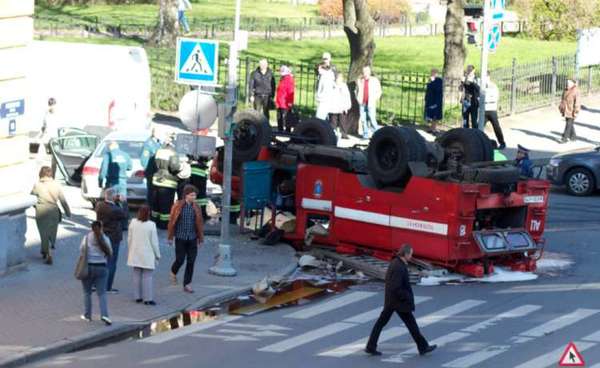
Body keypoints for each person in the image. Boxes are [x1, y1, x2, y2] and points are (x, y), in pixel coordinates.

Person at [366, 244, 436, 356]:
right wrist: (406, 296)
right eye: (411, 254)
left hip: (392, 301)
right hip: (398, 302)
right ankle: (423, 347)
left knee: (383, 323)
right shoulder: (398, 266)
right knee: (410, 324)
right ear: (406, 254)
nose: (411, 256)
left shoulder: (396, 263)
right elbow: (396, 286)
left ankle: (371, 346)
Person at [168, 184, 204, 293]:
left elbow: (200, 224)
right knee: (180, 259)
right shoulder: (178, 205)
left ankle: (187, 284)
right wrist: (170, 237)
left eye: (195, 195)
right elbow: (171, 222)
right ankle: (173, 271)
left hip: (192, 238)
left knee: (191, 261)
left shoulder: (196, 207)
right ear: (186, 195)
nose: (194, 197)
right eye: (192, 195)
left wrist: (200, 239)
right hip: (180, 238)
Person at [31, 166, 71, 264]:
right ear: (50, 174)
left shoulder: (37, 185)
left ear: (41, 174)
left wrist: (36, 206)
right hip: (53, 212)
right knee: (52, 232)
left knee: (43, 233)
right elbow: (63, 200)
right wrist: (68, 212)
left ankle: (46, 251)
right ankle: (48, 251)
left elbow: (31, 198)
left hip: (41, 211)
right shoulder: (56, 185)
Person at [79, 221, 113, 326]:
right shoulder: (106, 239)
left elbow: (81, 250)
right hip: (101, 268)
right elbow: (110, 253)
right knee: (102, 293)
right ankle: (105, 315)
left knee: (87, 292)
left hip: (88, 268)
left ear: (92, 228)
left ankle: (87, 315)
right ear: (101, 228)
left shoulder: (86, 238)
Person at [95, 188, 127, 294]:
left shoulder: (99, 205)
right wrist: (123, 202)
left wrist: (115, 201)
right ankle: (107, 287)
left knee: (100, 261)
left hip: (102, 236)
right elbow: (125, 215)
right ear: (113, 197)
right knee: (111, 263)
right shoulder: (115, 210)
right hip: (113, 238)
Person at [127, 205, 160, 305]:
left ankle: (137, 297)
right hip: (147, 254)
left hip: (135, 252)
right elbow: (154, 242)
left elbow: (129, 238)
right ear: (148, 213)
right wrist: (157, 255)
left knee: (136, 275)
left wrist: (130, 250)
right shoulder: (151, 225)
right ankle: (148, 299)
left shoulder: (133, 222)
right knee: (147, 277)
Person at [98, 140, 132, 229]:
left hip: (111, 182)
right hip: (122, 182)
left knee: (110, 203)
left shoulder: (108, 155)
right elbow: (130, 167)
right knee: (123, 202)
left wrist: (100, 182)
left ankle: (110, 222)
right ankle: (124, 225)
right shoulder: (125, 155)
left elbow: (103, 171)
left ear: (110, 147)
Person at [152, 136, 181, 229]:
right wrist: (180, 168)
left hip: (156, 180)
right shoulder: (173, 153)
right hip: (168, 183)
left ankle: (154, 222)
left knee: (156, 205)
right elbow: (174, 167)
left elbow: (154, 164)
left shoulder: (159, 151)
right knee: (166, 206)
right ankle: (164, 225)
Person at [356, 66, 382, 139]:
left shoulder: (374, 80)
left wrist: (375, 98)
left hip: (371, 102)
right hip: (362, 102)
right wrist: (358, 98)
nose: (365, 73)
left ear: (369, 72)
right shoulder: (360, 81)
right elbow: (357, 90)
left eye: (367, 72)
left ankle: (377, 134)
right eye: (364, 72)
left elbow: (379, 91)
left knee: (372, 118)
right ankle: (365, 134)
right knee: (363, 119)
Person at [484, 76, 506, 150]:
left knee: (496, 127)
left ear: (488, 77)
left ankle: (502, 143)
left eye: (485, 77)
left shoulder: (493, 86)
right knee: (479, 127)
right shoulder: (482, 85)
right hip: (484, 109)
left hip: (492, 109)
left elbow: (494, 97)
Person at [141, 129, 161, 205]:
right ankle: (149, 209)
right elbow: (144, 160)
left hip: (157, 172)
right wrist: (148, 173)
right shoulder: (148, 144)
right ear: (154, 133)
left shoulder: (158, 143)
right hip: (151, 172)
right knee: (151, 193)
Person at [329, 73, 352, 139]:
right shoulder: (332, 85)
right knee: (333, 121)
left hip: (342, 106)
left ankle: (344, 133)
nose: (338, 80)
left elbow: (347, 96)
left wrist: (347, 106)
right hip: (333, 106)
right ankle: (333, 133)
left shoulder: (344, 86)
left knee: (343, 121)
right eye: (337, 79)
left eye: (340, 79)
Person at [189, 156, 210, 221]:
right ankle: (203, 215)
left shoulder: (192, 164)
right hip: (200, 176)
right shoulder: (203, 151)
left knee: (193, 195)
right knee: (202, 196)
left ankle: (192, 214)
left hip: (193, 175)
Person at [559, 79, 581, 143]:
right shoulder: (566, 89)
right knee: (569, 124)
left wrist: (576, 111)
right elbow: (562, 99)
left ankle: (564, 138)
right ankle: (573, 137)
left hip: (572, 110)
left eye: (569, 82)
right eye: (567, 82)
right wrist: (561, 106)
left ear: (573, 83)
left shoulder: (576, 90)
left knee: (568, 124)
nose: (567, 83)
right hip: (565, 109)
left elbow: (578, 102)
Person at [275, 65, 295, 132]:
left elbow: (290, 92)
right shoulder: (282, 78)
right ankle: (280, 129)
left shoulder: (289, 79)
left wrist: (290, 102)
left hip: (285, 102)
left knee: (286, 117)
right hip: (280, 101)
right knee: (279, 116)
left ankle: (287, 130)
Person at [424, 69, 443, 133]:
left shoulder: (439, 80)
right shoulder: (430, 80)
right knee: (430, 114)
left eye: (433, 73)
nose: (432, 74)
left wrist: (432, 81)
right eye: (431, 72)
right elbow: (428, 89)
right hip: (430, 99)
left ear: (437, 73)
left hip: (436, 100)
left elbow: (437, 89)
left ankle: (434, 128)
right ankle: (431, 127)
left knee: (435, 115)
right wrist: (426, 98)